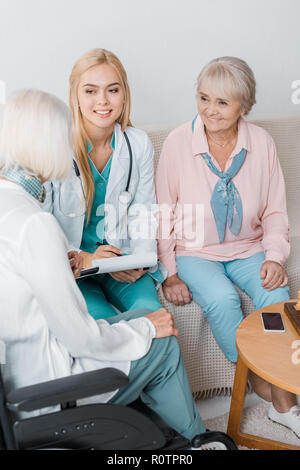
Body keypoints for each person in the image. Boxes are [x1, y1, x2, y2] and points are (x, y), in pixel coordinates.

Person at [0, 88, 212, 447]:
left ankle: (172, 434)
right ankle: (200, 442)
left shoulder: (10, 205)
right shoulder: (35, 224)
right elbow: (81, 338)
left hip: (20, 376)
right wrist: (144, 328)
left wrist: (58, 267)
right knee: (163, 342)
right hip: (50, 387)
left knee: (146, 324)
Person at [155, 56, 300, 437]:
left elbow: (274, 211)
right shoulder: (177, 143)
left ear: (244, 106)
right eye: (204, 98)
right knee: (222, 300)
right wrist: (169, 272)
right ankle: (259, 382)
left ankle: (282, 403)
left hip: (248, 246)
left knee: (276, 296)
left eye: (222, 102)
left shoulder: (262, 143)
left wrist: (273, 256)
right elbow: (162, 212)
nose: (210, 110)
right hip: (194, 251)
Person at [43, 48, 164, 320]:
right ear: (75, 95)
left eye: (112, 90)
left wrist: (138, 262)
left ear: (124, 95)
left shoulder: (138, 144)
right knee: (102, 329)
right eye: (90, 91)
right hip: (74, 269)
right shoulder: (54, 146)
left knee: (155, 320)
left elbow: (144, 211)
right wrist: (86, 258)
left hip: (121, 262)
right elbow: (42, 223)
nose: (103, 101)